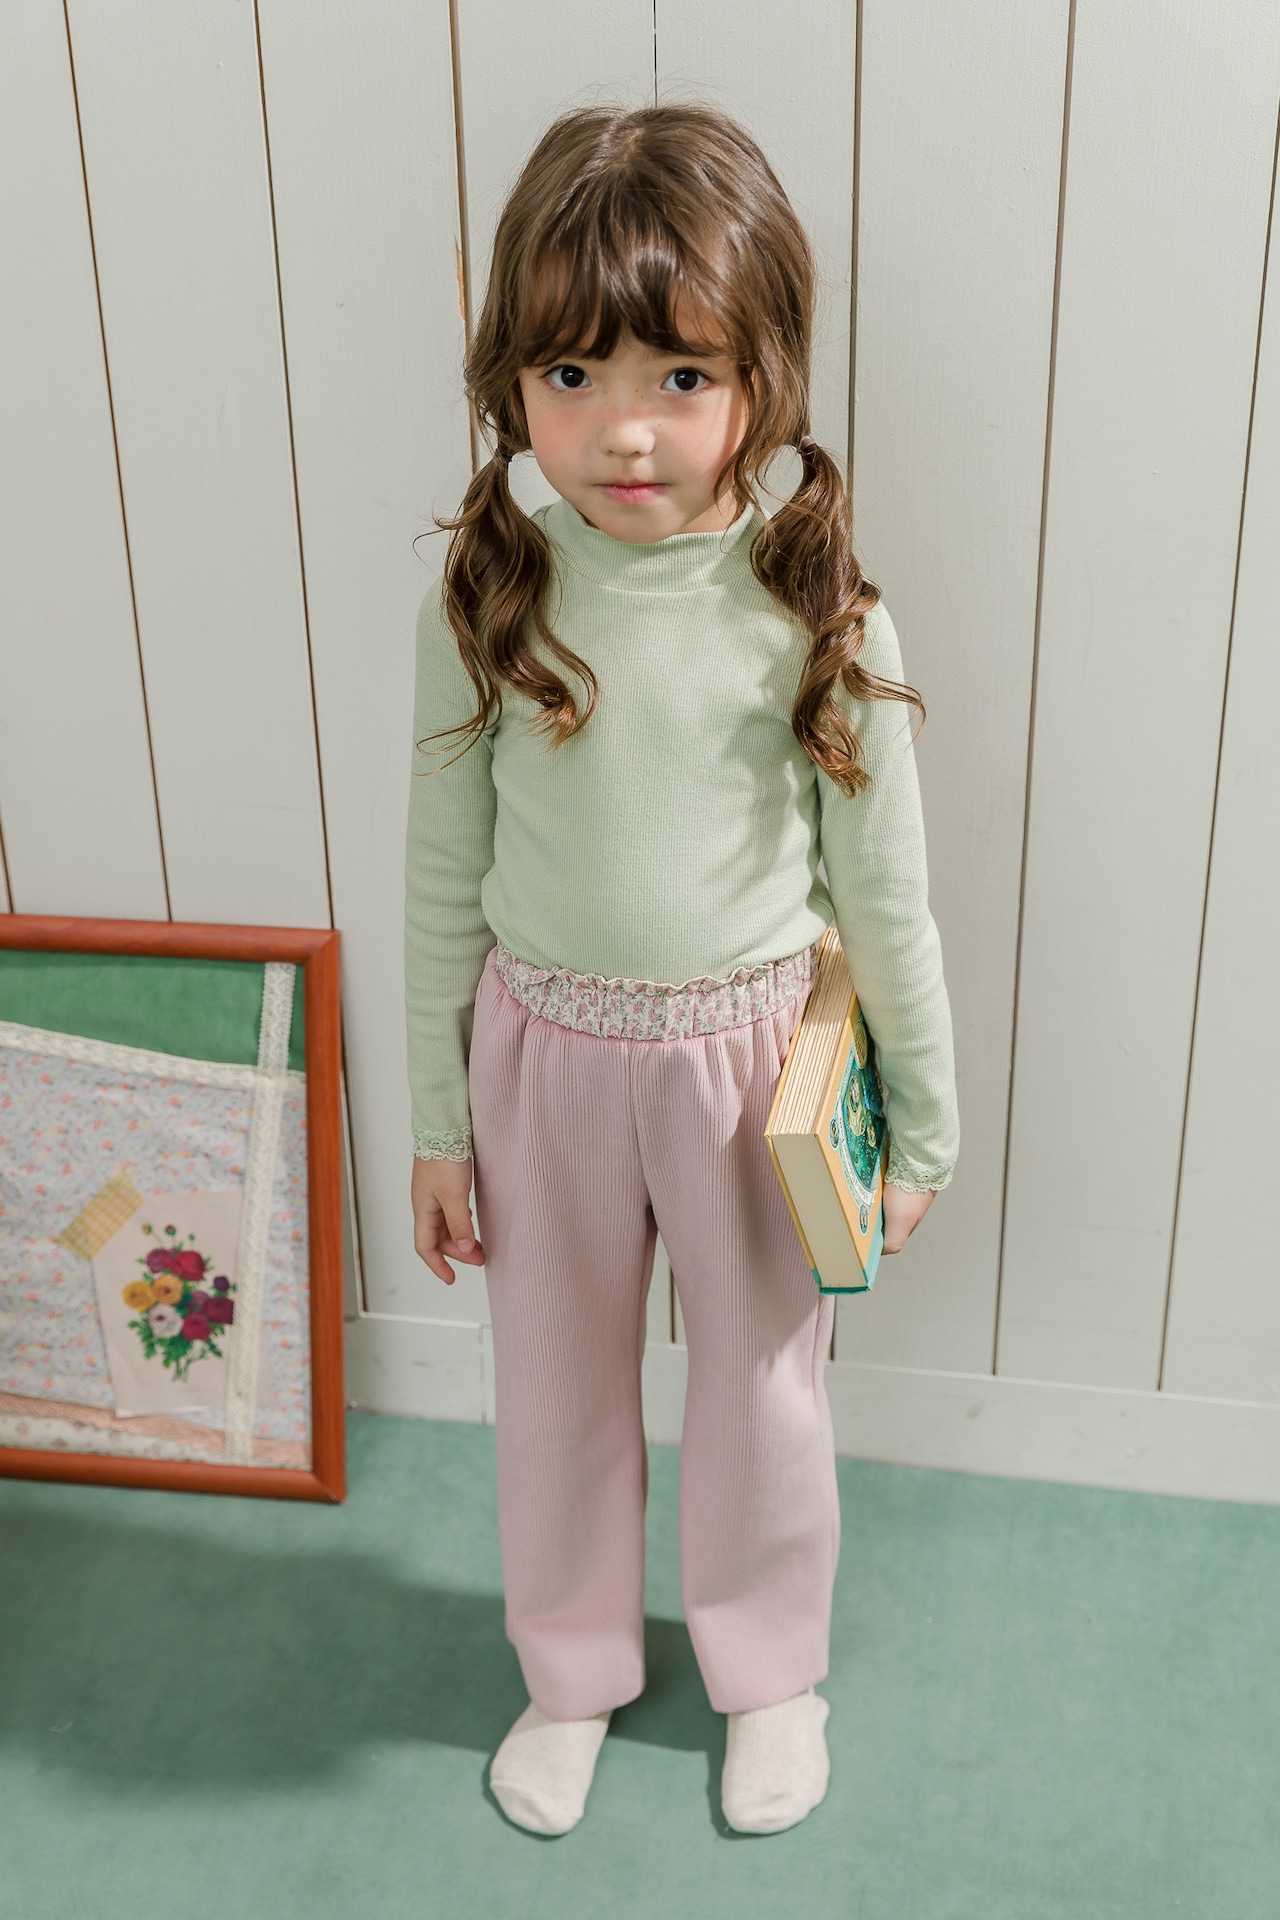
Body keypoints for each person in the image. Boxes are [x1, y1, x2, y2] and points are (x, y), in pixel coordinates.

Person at [405, 102, 959, 1838]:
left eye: (681, 376)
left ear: (762, 377)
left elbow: (887, 895)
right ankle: (571, 1668)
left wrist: (925, 1127)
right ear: (512, 378)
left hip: (752, 1071)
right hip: (541, 1063)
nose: (622, 428)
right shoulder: (491, 592)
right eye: (570, 375)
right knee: (555, 1392)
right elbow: (442, 878)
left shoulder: (815, 607)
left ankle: (767, 1673)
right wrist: (437, 1120)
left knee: (763, 1397)